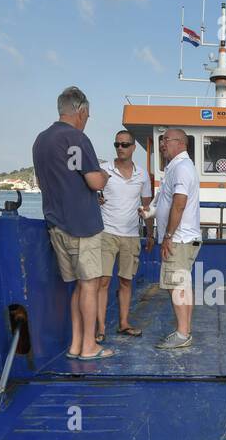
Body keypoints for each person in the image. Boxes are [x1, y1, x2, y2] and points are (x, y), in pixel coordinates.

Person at [31, 85, 114, 360]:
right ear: (81, 111)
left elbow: (47, 183)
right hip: (82, 226)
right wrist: (104, 175)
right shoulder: (76, 139)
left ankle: (77, 344)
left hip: (56, 225)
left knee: (78, 285)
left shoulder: (41, 140)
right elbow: (93, 181)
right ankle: (89, 346)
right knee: (89, 284)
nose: (87, 120)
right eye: (87, 115)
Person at [96, 129, 152, 341]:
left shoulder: (142, 174)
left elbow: (146, 206)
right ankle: (100, 329)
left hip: (131, 235)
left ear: (133, 147)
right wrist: (95, 199)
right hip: (106, 232)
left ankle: (123, 323)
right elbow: (89, 191)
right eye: (117, 144)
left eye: (125, 144)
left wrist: (150, 232)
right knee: (103, 281)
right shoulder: (103, 169)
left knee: (126, 281)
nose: (120, 148)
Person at [152, 128, 200, 349]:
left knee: (177, 285)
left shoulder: (181, 168)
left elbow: (179, 203)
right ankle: (185, 330)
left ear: (181, 143)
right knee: (183, 284)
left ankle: (182, 334)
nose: (162, 144)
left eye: (166, 140)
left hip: (179, 239)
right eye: (161, 140)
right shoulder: (177, 167)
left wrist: (168, 236)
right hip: (183, 238)